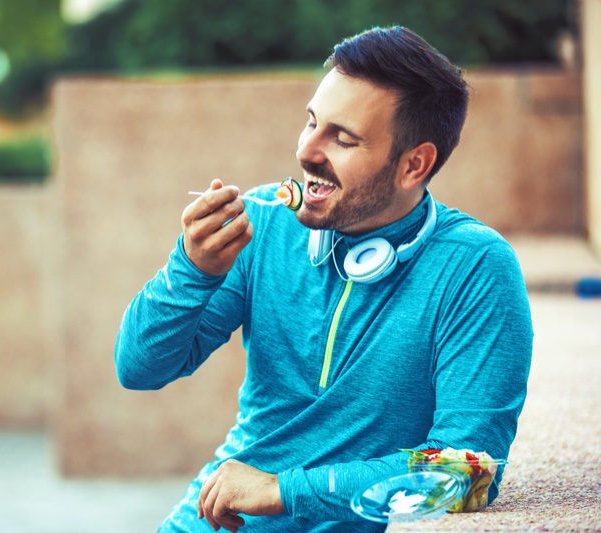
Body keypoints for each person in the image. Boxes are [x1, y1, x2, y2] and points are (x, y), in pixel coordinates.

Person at [115, 26, 533, 532]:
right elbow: (139, 369)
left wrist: (281, 490)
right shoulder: (265, 222)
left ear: (413, 165)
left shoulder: (475, 268)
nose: (308, 151)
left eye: (343, 138)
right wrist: (190, 269)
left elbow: (465, 474)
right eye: (311, 123)